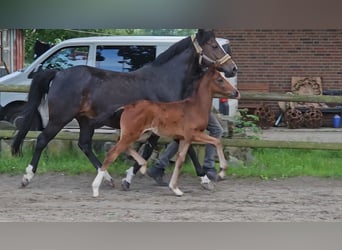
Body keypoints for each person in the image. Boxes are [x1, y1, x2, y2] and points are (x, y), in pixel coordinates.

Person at [146, 112, 224, 190]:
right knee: (184, 136)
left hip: (201, 106)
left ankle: (159, 167)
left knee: (183, 136)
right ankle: (208, 168)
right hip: (193, 107)